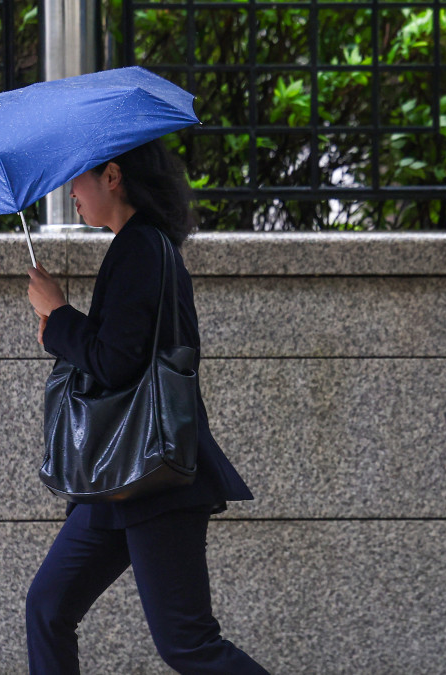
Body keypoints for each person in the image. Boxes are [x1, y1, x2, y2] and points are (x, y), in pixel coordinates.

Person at [25, 139, 270, 675]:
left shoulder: (141, 248)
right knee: (48, 605)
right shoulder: (138, 245)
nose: (71, 191)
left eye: (79, 176)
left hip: (153, 476)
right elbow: (122, 352)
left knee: (188, 643)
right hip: (121, 474)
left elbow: (114, 363)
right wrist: (61, 325)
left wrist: (59, 313)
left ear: (113, 176)